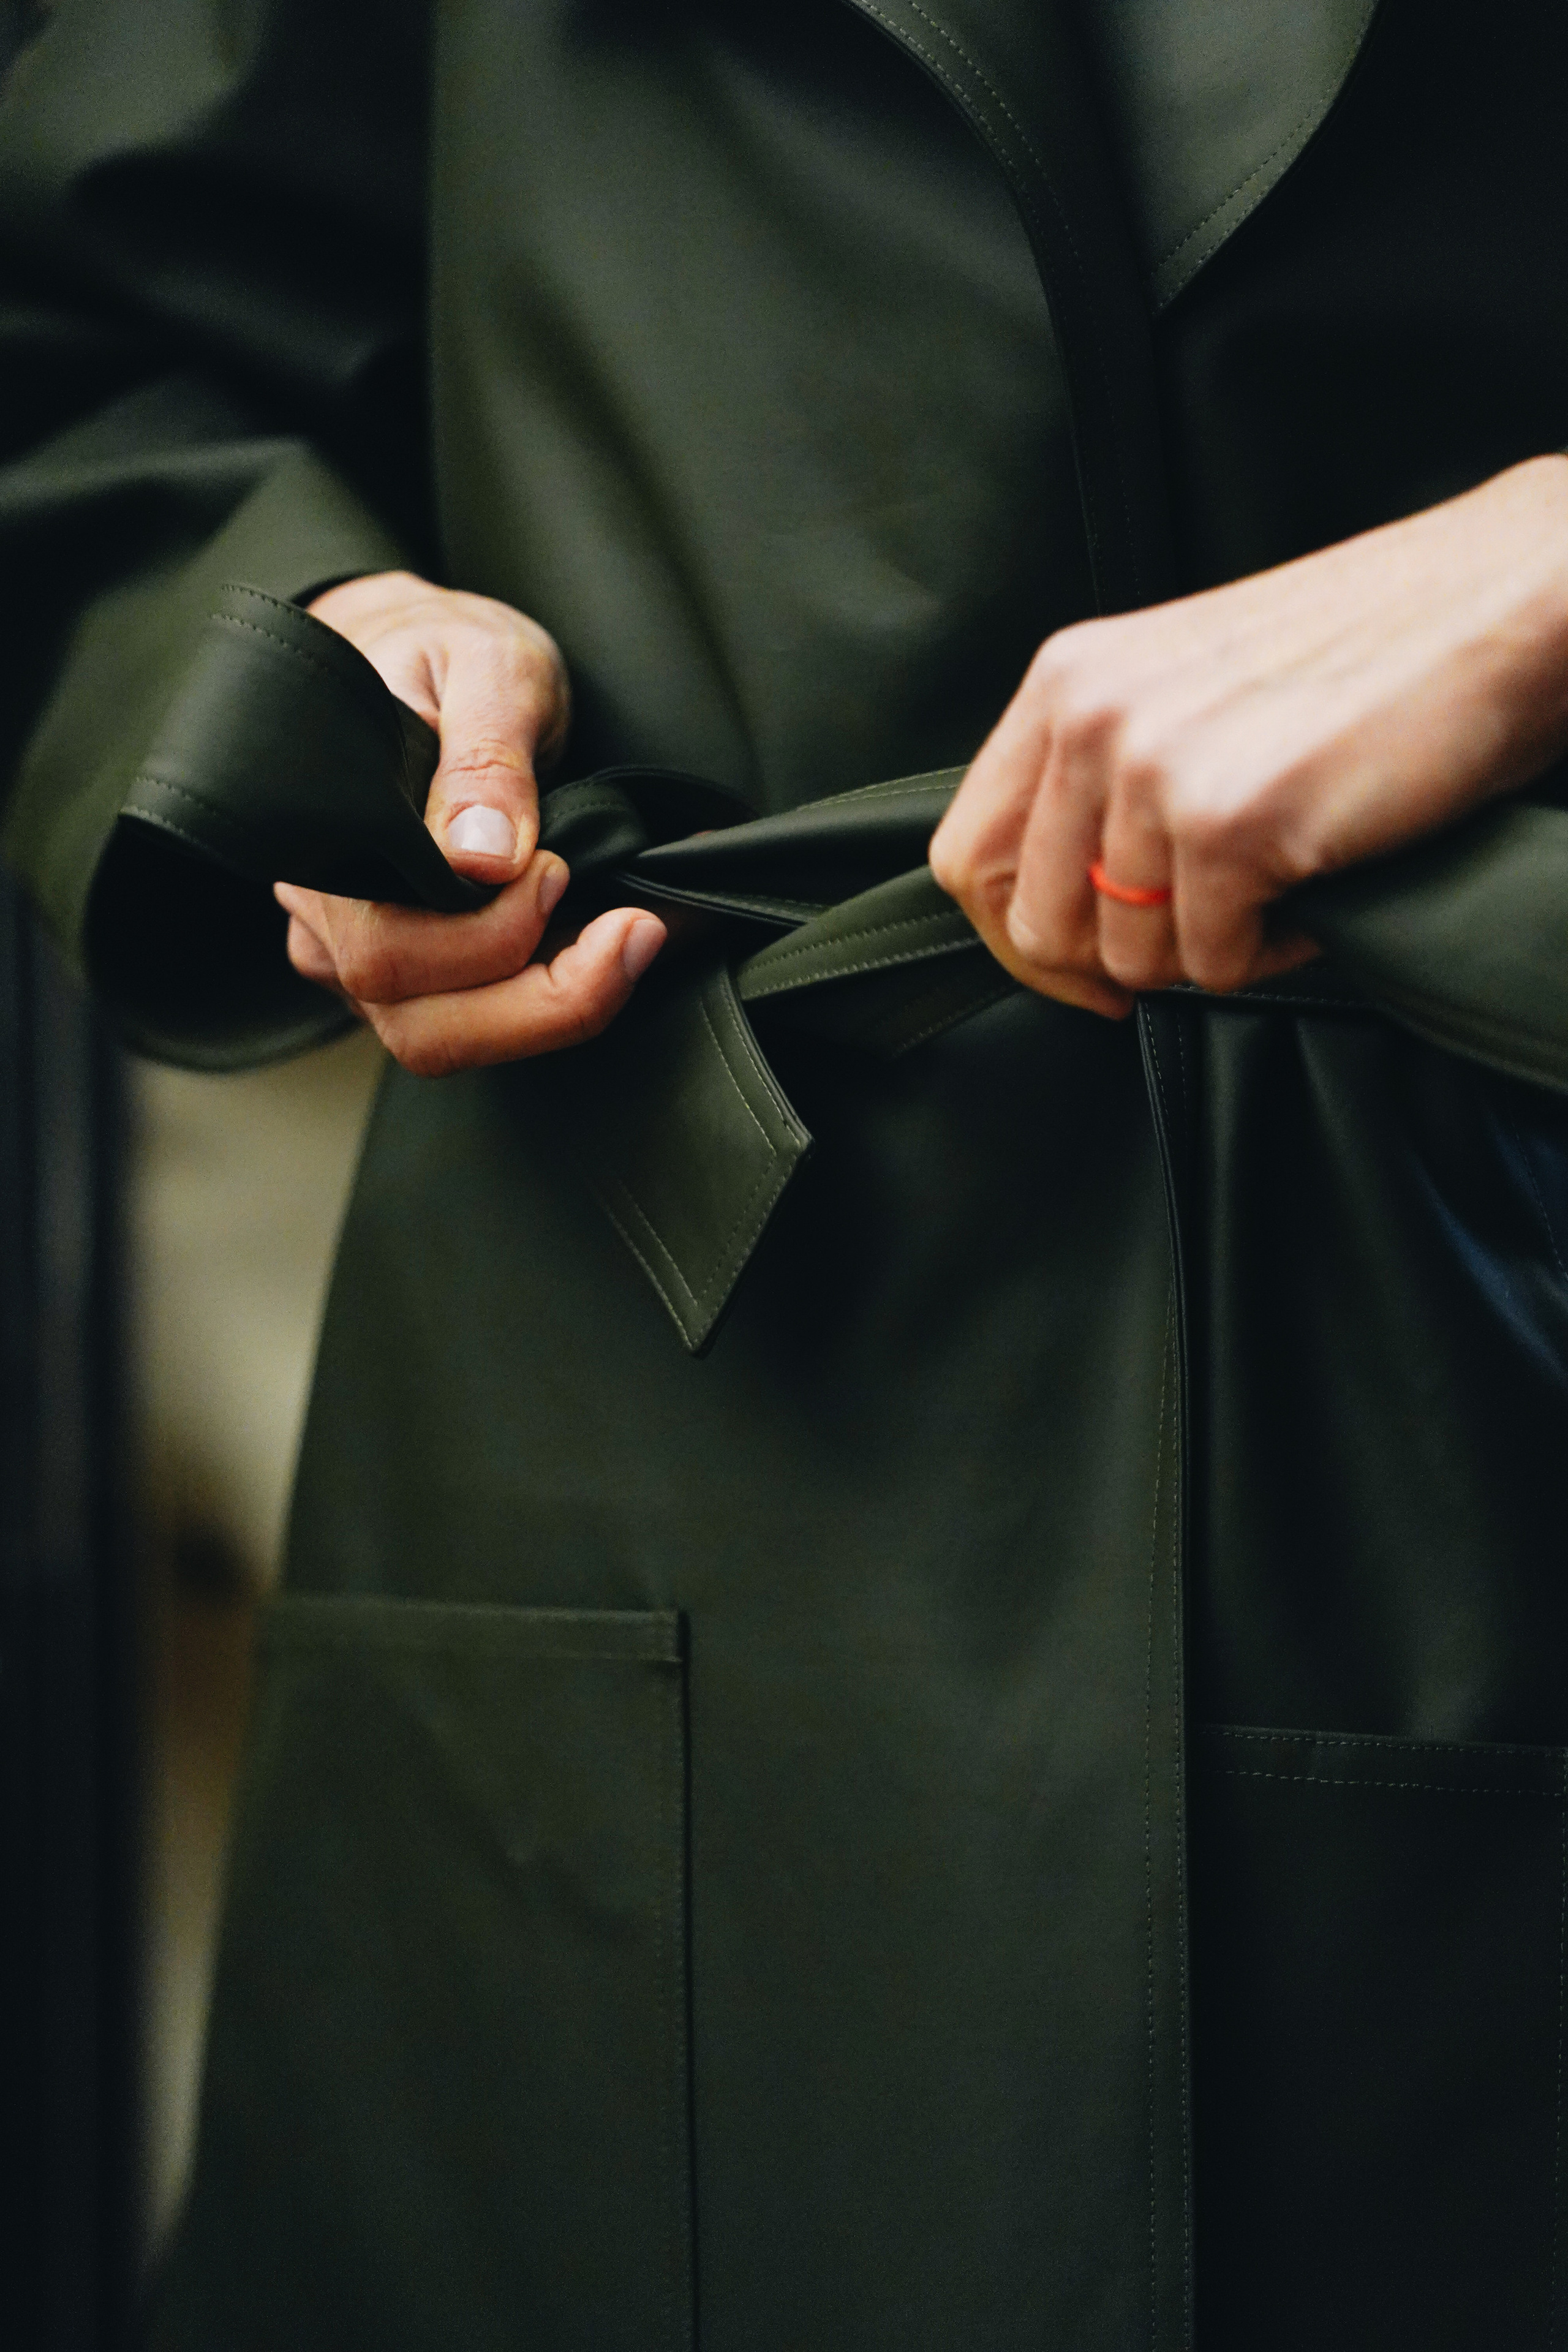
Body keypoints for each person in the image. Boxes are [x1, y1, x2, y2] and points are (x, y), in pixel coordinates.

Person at [4, 0, 1568, 2344]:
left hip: (1463, 1318)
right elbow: (91, 339)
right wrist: (308, 670)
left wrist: (1535, 574)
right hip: (623, 1387)